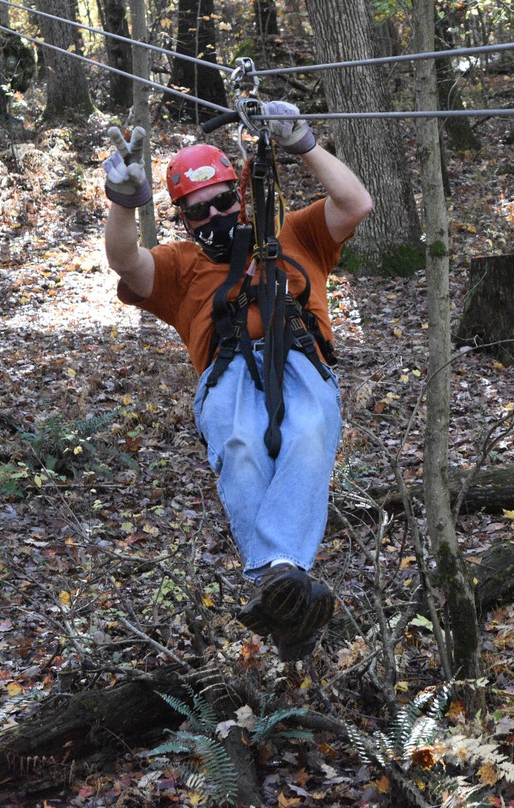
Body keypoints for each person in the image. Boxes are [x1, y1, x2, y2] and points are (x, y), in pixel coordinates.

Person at [101, 102, 372, 660]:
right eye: (197, 212)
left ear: (240, 193)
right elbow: (126, 261)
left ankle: (279, 586)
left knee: (307, 435)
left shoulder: (294, 233)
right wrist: (124, 202)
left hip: (300, 362)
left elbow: (355, 203)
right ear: (183, 220)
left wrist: (303, 143)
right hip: (226, 375)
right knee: (241, 445)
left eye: (222, 201)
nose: (214, 217)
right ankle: (285, 578)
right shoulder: (180, 268)